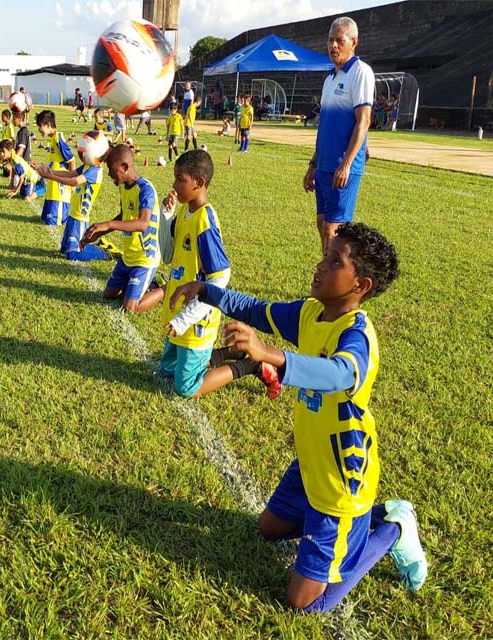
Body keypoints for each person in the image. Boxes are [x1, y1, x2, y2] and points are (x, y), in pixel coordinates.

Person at [170, 222, 427, 612]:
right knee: (268, 530)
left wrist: (270, 355)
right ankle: (362, 525)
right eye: (325, 255)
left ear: (362, 285)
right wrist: (208, 291)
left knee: (303, 604)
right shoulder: (312, 313)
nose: (320, 266)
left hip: (341, 483)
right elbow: (257, 310)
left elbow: (338, 374)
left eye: (334, 262)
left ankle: (394, 528)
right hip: (310, 463)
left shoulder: (357, 337)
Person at [139, 150, 280, 398]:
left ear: (199, 183)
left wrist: (185, 319)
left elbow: (220, 277)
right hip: (178, 311)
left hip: (195, 320)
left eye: (179, 179)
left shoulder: (205, 220)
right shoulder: (185, 211)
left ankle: (251, 365)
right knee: (166, 370)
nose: (173, 184)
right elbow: (169, 254)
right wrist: (165, 217)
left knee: (186, 388)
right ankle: (230, 352)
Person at [304, 16, 374, 254]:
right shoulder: (329, 80)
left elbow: (363, 121)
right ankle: (327, 278)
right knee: (322, 224)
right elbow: (325, 126)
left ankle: (337, 284)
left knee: (334, 229)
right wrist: (313, 163)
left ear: (354, 42)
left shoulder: (360, 72)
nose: (333, 46)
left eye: (339, 41)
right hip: (324, 164)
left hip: (343, 167)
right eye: (330, 40)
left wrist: (346, 164)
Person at [79, 144, 160, 312]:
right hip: (128, 256)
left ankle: (165, 288)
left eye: (111, 169)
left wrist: (108, 224)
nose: (109, 173)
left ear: (124, 167)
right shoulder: (124, 187)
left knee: (131, 308)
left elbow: (143, 224)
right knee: (108, 295)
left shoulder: (146, 190)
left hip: (144, 258)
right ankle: (138, 284)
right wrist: (100, 232)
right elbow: (124, 216)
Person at [33, 136, 112, 261]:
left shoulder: (95, 171)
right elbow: (70, 173)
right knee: (64, 251)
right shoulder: (87, 166)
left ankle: (106, 254)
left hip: (80, 219)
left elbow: (74, 181)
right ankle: (98, 246)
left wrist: (51, 177)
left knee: (72, 255)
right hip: (72, 216)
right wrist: (49, 173)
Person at [35, 109, 75, 225]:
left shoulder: (58, 139)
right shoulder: (53, 139)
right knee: (45, 219)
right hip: (53, 183)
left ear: (47, 125)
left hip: (60, 186)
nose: (39, 130)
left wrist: (72, 182)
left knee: (53, 222)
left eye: (40, 126)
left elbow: (71, 160)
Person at [182, 82, 198, 151]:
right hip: (186, 111)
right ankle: (188, 148)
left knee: (193, 134)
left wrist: (190, 108)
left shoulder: (191, 92)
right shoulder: (185, 93)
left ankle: (194, 148)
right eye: (186, 85)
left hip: (189, 110)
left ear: (190, 86)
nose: (186, 86)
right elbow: (184, 101)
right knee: (191, 134)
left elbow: (191, 101)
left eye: (188, 85)